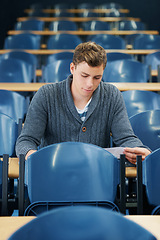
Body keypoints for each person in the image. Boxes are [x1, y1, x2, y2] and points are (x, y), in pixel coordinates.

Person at [16, 41, 151, 164]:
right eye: (84, 76)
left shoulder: (112, 95)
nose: (90, 84)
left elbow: (125, 138)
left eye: (97, 77)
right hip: (54, 171)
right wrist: (34, 157)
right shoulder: (46, 95)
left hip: (95, 173)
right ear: (72, 68)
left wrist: (139, 150)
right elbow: (26, 141)